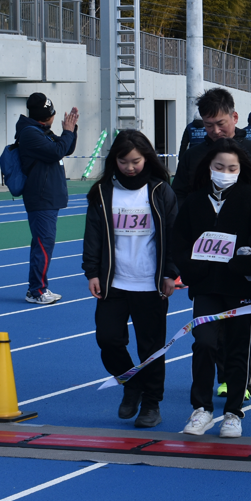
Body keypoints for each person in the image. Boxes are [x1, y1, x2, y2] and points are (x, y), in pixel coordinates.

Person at [172, 88, 251, 399]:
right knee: (209, 329)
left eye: (220, 123)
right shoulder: (194, 157)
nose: (215, 131)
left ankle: (238, 381)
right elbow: (178, 195)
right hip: (207, 255)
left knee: (241, 327)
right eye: (208, 125)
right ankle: (219, 382)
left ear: (234, 117)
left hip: (245, 254)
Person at [172, 139, 251, 439]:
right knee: (204, 343)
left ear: (240, 170)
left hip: (240, 287)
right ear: (209, 168)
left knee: (238, 349)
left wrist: (242, 263)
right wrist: (193, 270)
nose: (224, 172)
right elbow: (179, 241)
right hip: (206, 287)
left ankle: (233, 413)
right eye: (219, 167)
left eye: (231, 168)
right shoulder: (194, 200)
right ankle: (201, 408)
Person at [82, 130, 178, 429]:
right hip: (114, 282)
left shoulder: (160, 190)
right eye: (123, 162)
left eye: (135, 161)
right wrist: (92, 272)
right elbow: (93, 234)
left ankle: (151, 403)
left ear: (146, 158)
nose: (130, 167)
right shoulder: (102, 192)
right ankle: (131, 382)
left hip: (150, 283)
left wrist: (170, 273)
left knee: (151, 348)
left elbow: (174, 235)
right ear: (115, 161)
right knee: (107, 339)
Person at [15, 93, 78, 304]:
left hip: (47, 197)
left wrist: (71, 130)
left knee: (43, 244)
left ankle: (36, 289)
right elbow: (57, 151)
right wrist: (67, 132)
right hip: (41, 198)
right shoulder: (30, 133)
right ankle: (37, 291)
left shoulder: (41, 131)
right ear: (47, 116)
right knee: (43, 245)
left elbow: (65, 148)